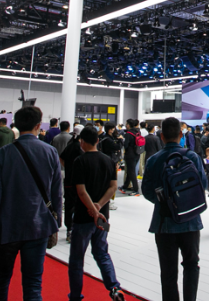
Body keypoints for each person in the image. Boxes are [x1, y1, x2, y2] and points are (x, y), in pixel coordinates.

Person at [0, 106, 62, 301]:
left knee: (0, 281)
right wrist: (56, 223)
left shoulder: (3, 154)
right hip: (38, 225)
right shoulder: (50, 152)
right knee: (33, 284)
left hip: (5, 226)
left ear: (16, 125)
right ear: (37, 125)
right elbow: (57, 192)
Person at [142, 118, 207, 301]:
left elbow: (147, 190)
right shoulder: (192, 157)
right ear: (180, 134)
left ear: (161, 136)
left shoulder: (153, 160)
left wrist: (165, 202)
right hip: (190, 220)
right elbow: (202, 185)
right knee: (191, 264)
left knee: (168, 271)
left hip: (163, 222)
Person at [68, 126, 125, 301]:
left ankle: (76, 296)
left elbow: (81, 191)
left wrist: (93, 210)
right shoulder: (109, 161)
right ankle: (114, 288)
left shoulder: (80, 161)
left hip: (83, 216)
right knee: (102, 252)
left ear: (82, 142)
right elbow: (113, 187)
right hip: (103, 217)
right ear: (98, 141)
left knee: (77, 258)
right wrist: (99, 206)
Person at [60, 125, 85, 242]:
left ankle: (69, 229)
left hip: (68, 180)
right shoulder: (81, 148)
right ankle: (75, 229)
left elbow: (61, 158)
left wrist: (68, 168)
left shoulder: (69, 146)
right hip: (78, 182)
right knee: (79, 205)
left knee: (69, 205)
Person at [121, 119, 142, 195]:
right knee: (130, 171)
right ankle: (124, 187)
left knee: (131, 172)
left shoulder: (128, 134)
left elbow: (126, 145)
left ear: (128, 125)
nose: (126, 125)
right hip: (137, 153)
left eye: (126, 124)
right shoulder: (138, 132)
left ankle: (136, 190)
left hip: (130, 155)